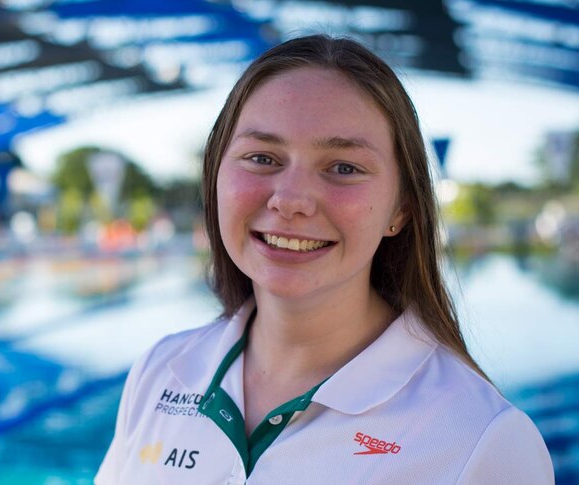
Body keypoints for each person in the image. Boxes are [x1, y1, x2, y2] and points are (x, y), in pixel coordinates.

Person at [95, 34, 554, 484]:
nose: (291, 199)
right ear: (216, 176)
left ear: (401, 209)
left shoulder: (482, 441)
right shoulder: (161, 370)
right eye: (261, 157)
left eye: (344, 168)